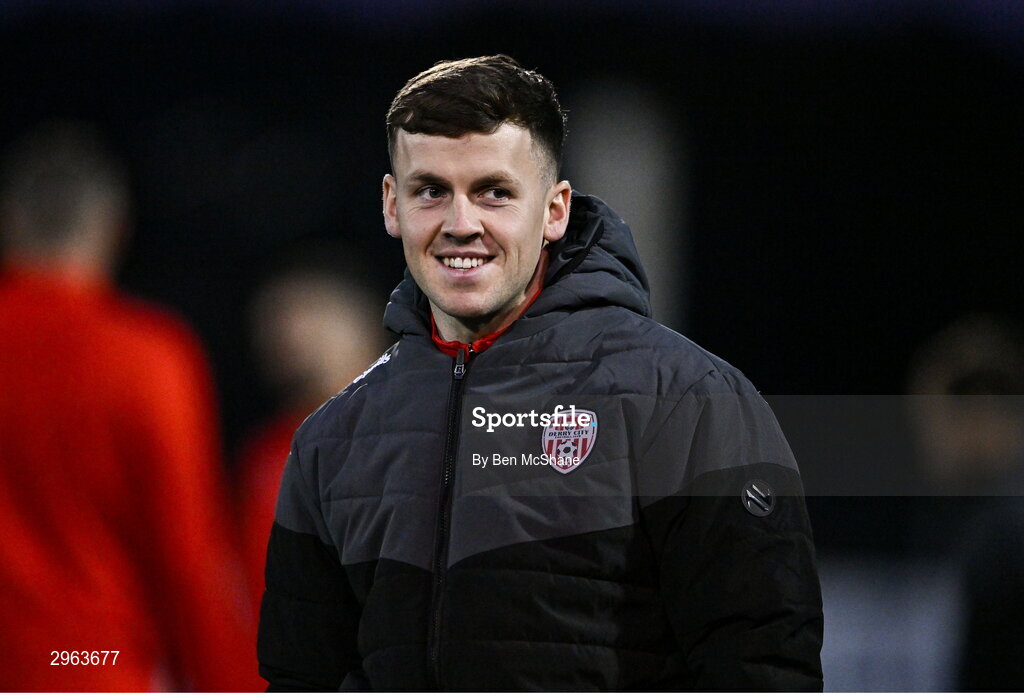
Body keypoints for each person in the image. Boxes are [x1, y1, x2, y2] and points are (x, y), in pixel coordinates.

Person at [258, 56, 824, 690]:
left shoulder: (685, 401)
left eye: (494, 192)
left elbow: (762, 665)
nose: (460, 224)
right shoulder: (333, 440)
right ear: (393, 205)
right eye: (431, 191)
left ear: (555, 211)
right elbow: (300, 677)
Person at [0, 121, 261, 691]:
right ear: (112, 229)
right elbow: (187, 554)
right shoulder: (148, 357)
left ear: (11, 223)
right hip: (98, 669)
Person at [237, 246, 387, 618]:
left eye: (312, 313)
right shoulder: (264, 453)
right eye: (274, 317)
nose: (291, 333)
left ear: (360, 323)